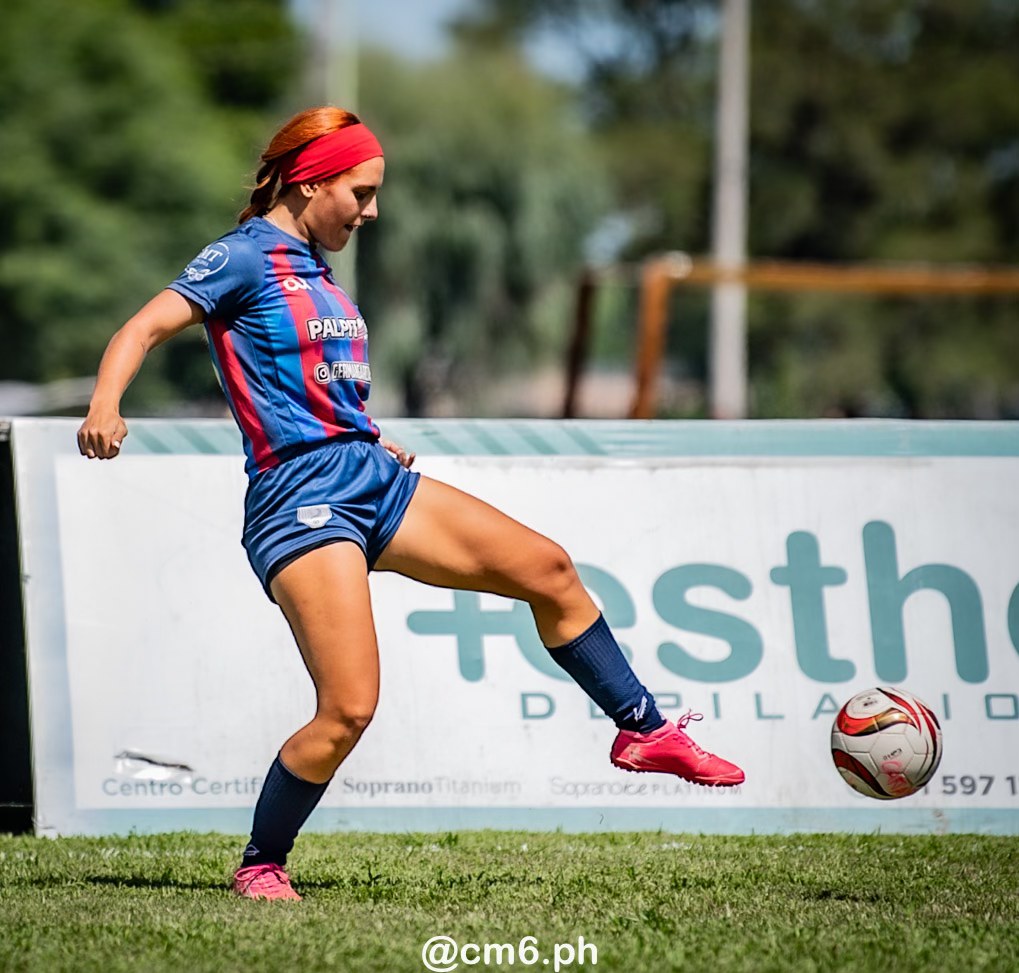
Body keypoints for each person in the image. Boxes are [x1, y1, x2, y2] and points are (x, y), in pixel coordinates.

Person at [77, 106, 744, 902]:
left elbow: (307, 385)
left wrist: (365, 435)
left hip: (368, 477)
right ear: (309, 179)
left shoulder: (318, 273)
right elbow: (142, 327)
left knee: (549, 567)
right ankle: (262, 861)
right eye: (359, 192)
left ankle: (644, 732)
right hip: (301, 499)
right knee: (349, 707)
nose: (371, 210)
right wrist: (104, 405)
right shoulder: (243, 257)